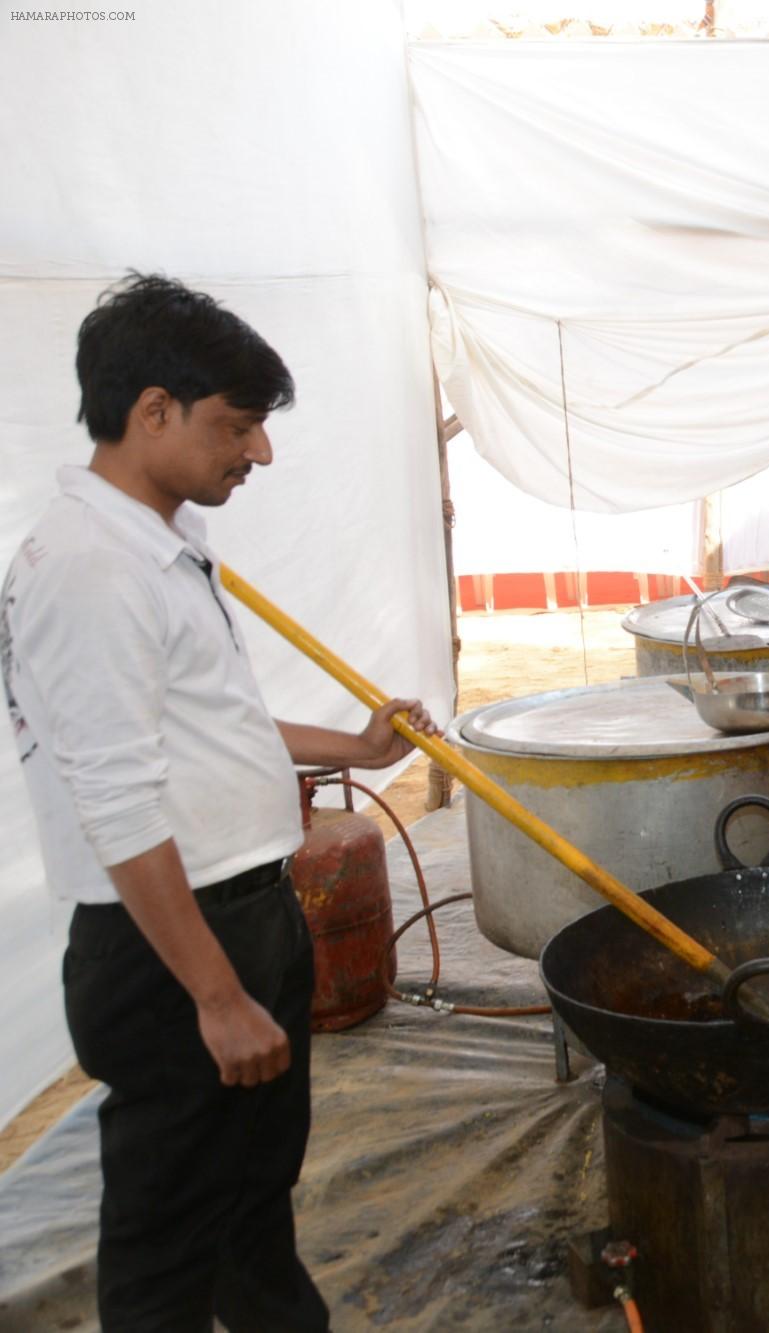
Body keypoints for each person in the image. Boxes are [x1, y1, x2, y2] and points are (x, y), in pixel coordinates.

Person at [2, 275, 441, 1329]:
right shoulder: (88, 568)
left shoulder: (160, 542)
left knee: (250, 1195)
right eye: (236, 426)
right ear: (152, 410)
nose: (259, 452)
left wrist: (358, 745)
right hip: (168, 949)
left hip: (237, 917)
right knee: (168, 1236)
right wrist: (214, 995)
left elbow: (211, 722)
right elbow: (116, 802)